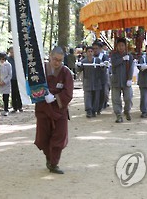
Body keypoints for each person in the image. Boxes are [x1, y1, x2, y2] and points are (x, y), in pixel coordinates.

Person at [35, 46, 74, 174]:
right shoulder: (40, 70)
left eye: (60, 60)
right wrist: (42, 94)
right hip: (43, 108)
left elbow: (68, 92)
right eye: (55, 59)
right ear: (50, 57)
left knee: (59, 136)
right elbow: (32, 86)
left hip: (59, 110)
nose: (57, 63)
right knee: (43, 137)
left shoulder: (66, 73)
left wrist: (55, 97)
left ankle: (54, 163)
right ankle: (49, 158)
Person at [110, 38, 134, 123]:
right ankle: (118, 115)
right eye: (119, 45)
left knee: (128, 98)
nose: (121, 47)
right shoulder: (113, 55)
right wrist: (122, 59)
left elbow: (131, 68)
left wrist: (130, 79)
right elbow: (114, 63)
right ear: (117, 46)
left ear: (125, 46)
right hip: (116, 80)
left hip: (126, 80)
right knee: (116, 99)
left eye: (122, 45)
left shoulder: (130, 56)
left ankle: (127, 110)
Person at [77, 47, 103, 118]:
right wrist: (78, 65)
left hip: (96, 82)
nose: (90, 53)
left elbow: (103, 68)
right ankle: (88, 110)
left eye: (91, 51)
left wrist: (103, 65)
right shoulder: (83, 61)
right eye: (88, 51)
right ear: (86, 53)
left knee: (96, 97)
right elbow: (79, 70)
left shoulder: (97, 60)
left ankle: (94, 110)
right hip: (87, 82)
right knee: (87, 97)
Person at [93, 40, 110, 113]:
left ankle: (102, 105)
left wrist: (104, 65)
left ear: (100, 49)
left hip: (103, 78)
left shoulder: (104, 56)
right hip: (93, 78)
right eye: (93, 48)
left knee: (104, 93)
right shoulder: (90, 56)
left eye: (96, 48)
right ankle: (94, 108)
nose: (95, 50)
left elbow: (107, 64)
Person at [0, 52, 12, 116]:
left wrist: (4, 81)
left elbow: (10, 75)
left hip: (6, 84)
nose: (2, 60)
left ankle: (6, 110)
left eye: (3, 59)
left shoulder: (8, 65)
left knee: (6, 97)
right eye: (1, 59)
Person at [7, 47, 23, 113]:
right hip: (11, 78)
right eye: (11, 52)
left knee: (19, 92)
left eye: (13, 52)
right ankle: (14, 107)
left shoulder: (19, 58)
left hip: (19, 78)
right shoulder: (8, 59)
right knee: (13, 92)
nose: (12, 53)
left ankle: (20, 107)